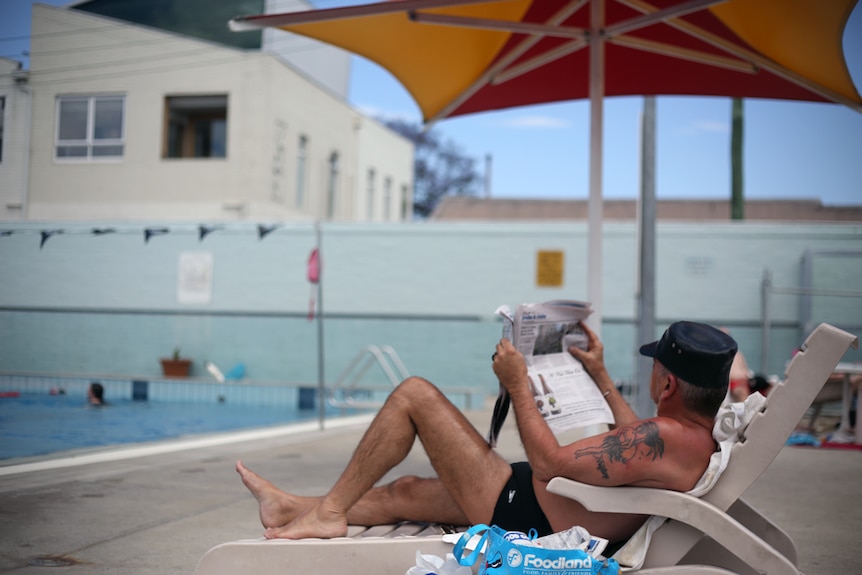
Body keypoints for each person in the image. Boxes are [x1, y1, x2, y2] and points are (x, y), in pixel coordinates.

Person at [237, 320, 736, 545]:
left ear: (667, 382)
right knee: (406, 491)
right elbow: (636, 437)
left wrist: (518, 384)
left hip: (525, 513)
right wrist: (600, 375)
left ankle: (327, 514)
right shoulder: (687, 439)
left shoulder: (667, 438)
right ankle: (290, 507)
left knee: (414, 394)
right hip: (527, 498)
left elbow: (549, 464)